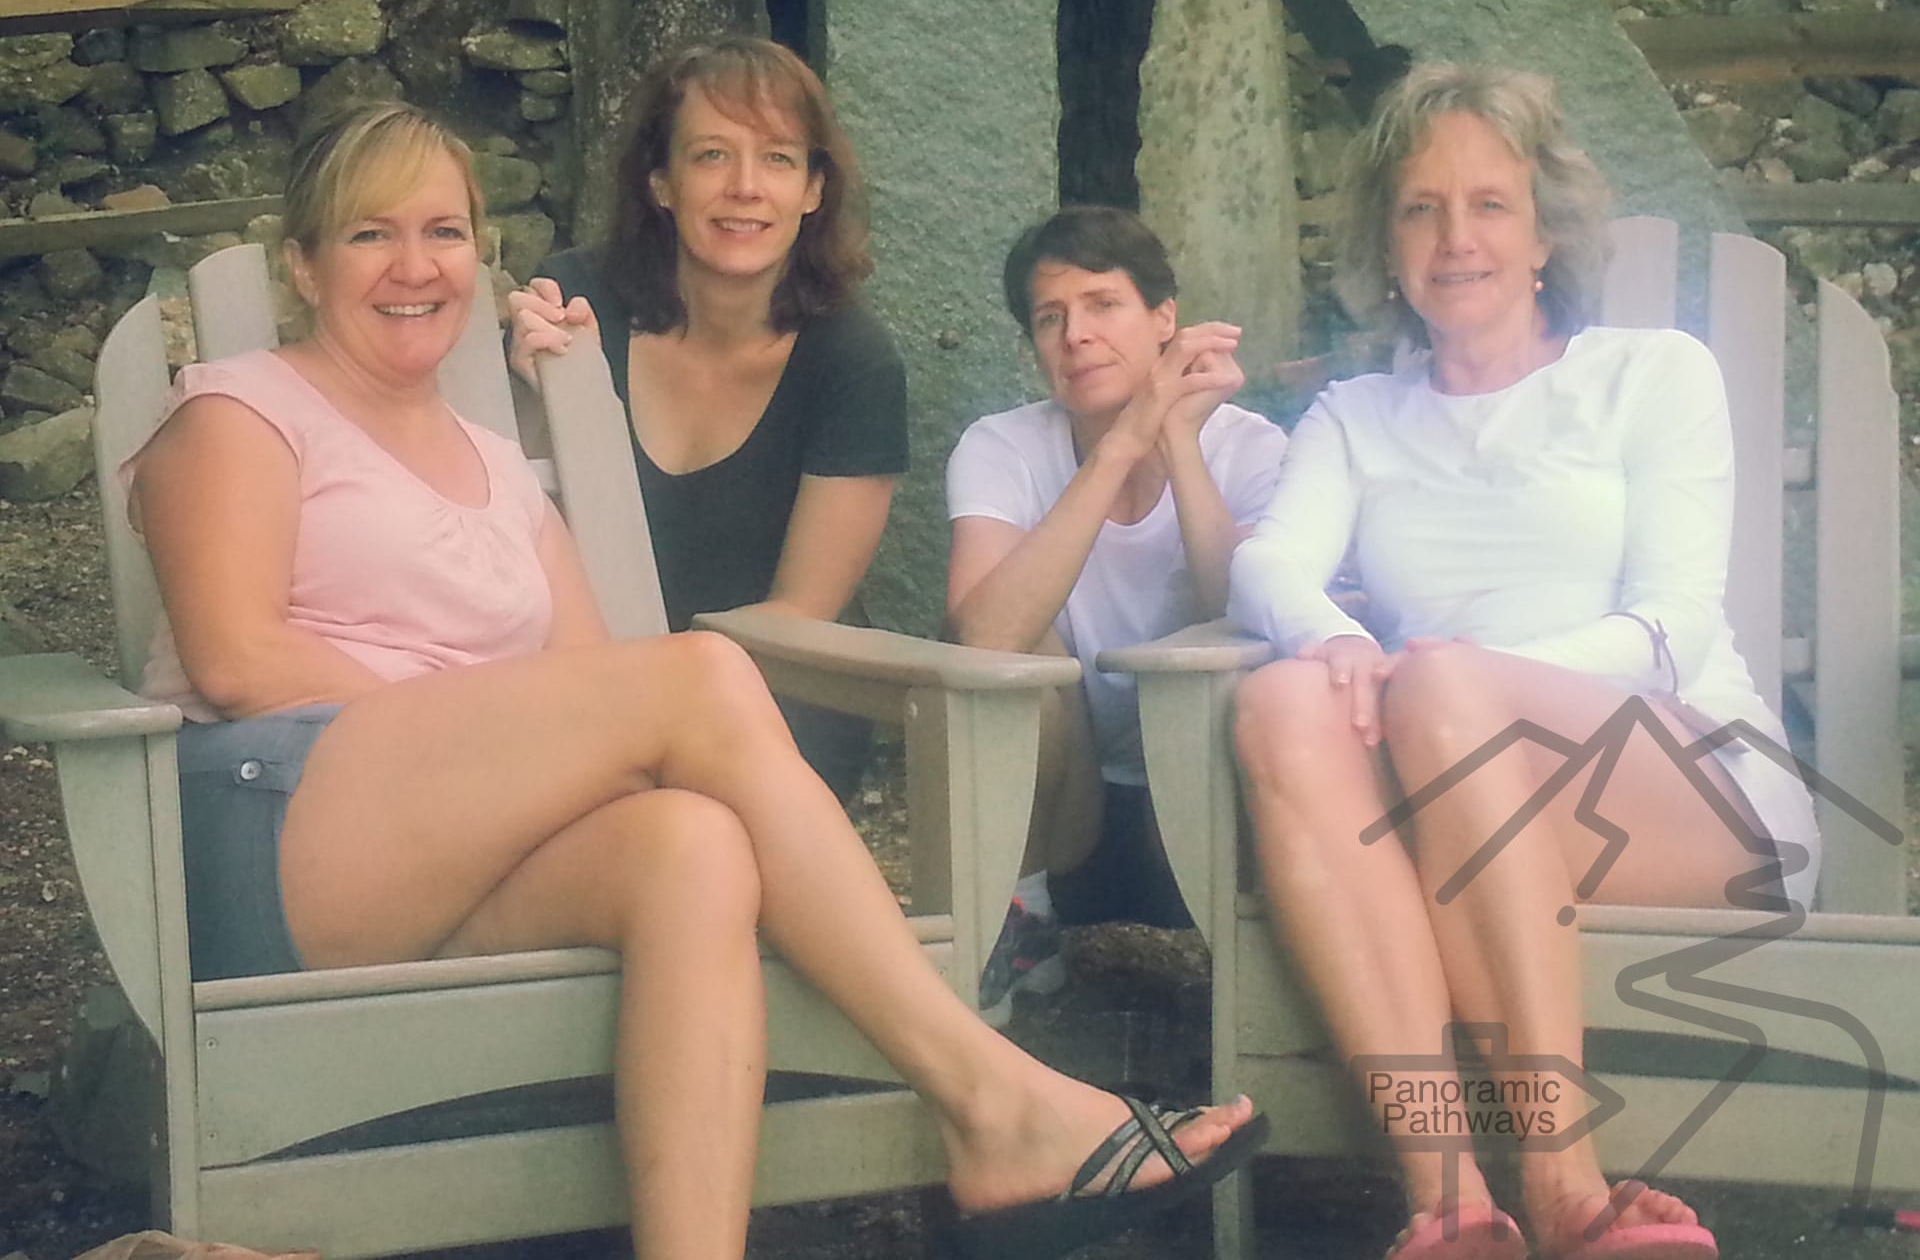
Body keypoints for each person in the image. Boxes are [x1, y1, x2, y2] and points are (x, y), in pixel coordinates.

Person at [124, 101, 1264, 1260]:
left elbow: (579, 676)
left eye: (446, 233)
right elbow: (238, 658)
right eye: (371, 236)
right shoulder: (241, 409)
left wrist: (515, 750)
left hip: (453, 855)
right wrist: (492, 729)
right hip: (275, 834)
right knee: (697, 677)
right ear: (302, 265)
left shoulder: (492, 463)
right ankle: (992, 1097)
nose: (416, 267)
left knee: (690, 847)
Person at [1228, 63, 1819, 1260]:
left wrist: (1469, 679)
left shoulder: (1649, 375)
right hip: (1465, 810)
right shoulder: (1355, 418)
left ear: (1544, 230)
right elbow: (1268, 569)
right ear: (1385, 241)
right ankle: (1449, 1203)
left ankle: (1565, 1191)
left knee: (1442, 687)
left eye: (1489, 204)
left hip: (1691, 800)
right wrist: (1342, 641)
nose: (1456, 239)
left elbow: (1673, 630)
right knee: (1284, 701)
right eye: (1421, 208)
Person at [506, 36, 904, 796]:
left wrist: (659, 698)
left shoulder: (853, 362)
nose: (745, 187)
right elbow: (506, 530)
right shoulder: (574, 301)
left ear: (814, 190)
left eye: (780, 159)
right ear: (661, 182)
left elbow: (802, 614)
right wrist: (533, 393)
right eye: (712, 156)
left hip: (769, 706)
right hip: (579, 689)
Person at [946, 206, 1288, 1024]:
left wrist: (1178, 446)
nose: (1076, 336)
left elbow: (1245, 613)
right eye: (1050, 318)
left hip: (1210, 808)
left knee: (1271, 652)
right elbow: (983, 636)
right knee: (1019, 629)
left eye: (1103, 305)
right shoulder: (1001, 446)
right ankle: (1020, 925)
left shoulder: (1256, 447)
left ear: (1164, 319)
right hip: (1063, 818)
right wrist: (1118, 449)